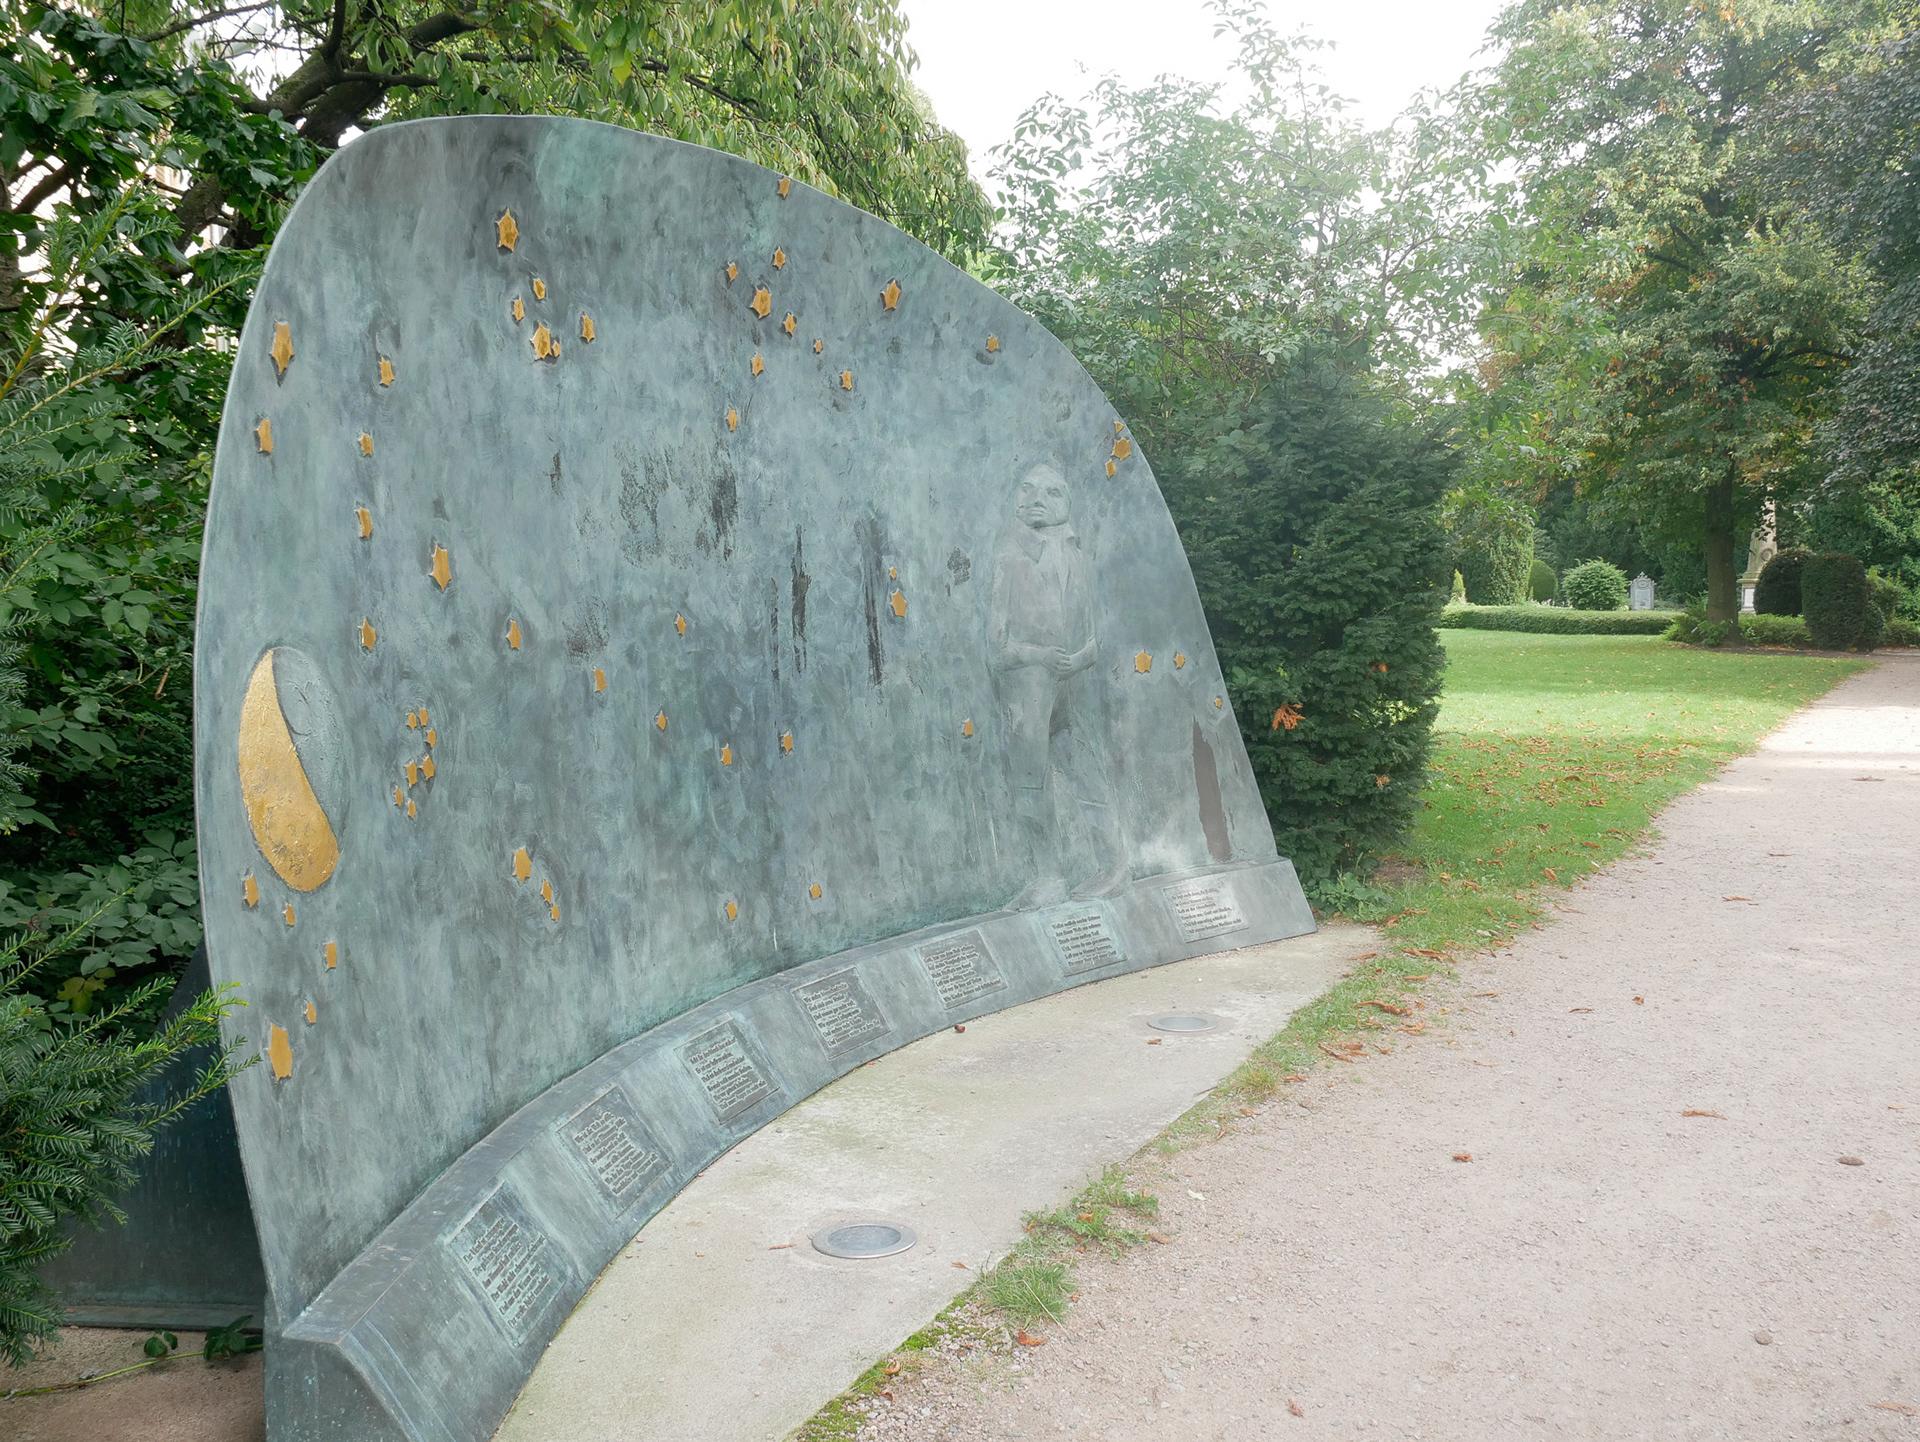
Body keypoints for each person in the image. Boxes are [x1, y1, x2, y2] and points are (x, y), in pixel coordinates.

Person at [988, 463, 1128, 909]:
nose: (1036, 499)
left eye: (1051, 493)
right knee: (1031, 780)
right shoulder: (1009, 559)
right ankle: (1047, 876)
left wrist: (1084, 655)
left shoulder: (1076, 556)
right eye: (1027, 489)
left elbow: (1094, 633)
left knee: (1086, 771)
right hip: (1028, 691)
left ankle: (1114, 866)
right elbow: (996, 646)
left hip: (1073, 687)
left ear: (1065, 502)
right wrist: (1039, 656)